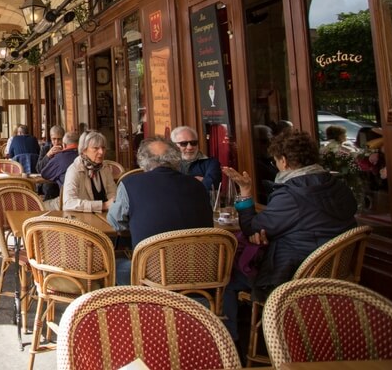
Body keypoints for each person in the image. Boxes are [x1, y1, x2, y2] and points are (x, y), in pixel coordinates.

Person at [220, 129, 357, 342]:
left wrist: (245, 192)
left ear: (283, 161)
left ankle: (229, 345)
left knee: (225, 278)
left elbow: (251, 229)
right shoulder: (339, 187)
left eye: (275, 161)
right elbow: (308, 224)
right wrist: (269, 235)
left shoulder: (292, 194)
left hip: (294, 276)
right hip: (335, 272)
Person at [107, 137, 213, 283]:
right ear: (175, 158)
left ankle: (135, 304)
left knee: (114, 264)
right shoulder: (197, 185)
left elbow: (116, 223)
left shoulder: (130, 184)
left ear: (143, 160)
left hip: (152, 276)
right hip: (200, 273)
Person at [62, 130, 116, 212]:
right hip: (82, 222)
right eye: (96, 148)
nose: (101, 152)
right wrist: (103, 206)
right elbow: (69, 203)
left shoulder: (104, 167)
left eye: (103, 148)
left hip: (105, 217)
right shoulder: (74, 170)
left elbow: (113, 194)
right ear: (84, 150)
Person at [170, 125, 221, 191]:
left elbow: (212, 186)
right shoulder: (168, 164)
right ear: (174, 145)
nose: (189, 147)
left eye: (193, 143)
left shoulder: (211, 163)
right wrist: (198, 181)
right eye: (184, 143)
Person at [39, 130, 79, 210]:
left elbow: (45, 174)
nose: (56, 142)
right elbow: (40, 169)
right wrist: (48, 155)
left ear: (64, 144)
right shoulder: (85, 156)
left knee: (39, 206)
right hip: (86, 200)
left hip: (67, 201)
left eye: (59, 139)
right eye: (54, 139)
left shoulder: (60, 157)